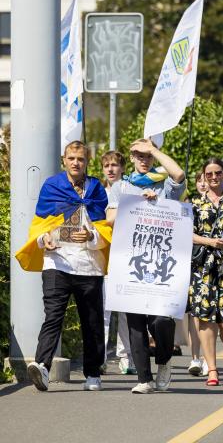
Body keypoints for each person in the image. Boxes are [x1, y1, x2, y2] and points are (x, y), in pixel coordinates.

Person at [22, 140, 110, 392]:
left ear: (86, 162)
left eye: (80, 159)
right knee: (53, 316)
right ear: (64, 160)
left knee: (91, 321)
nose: (76, 163)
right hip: (57, 263)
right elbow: (39, 224)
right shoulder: (52, 186)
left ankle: (93, 373)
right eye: (71, 158)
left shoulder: (96, 189)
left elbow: (103, 228)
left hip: (88, 265)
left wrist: (91, 237)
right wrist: (43, 239)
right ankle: (42, 366)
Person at [106, 138, 186, 394]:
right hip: (131, 260)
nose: (143, 159)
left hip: (163, 262)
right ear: (130, 158)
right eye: (138, 155)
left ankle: (163, 361)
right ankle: (144, 378)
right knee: (135, 324)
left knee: (162, 320)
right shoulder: (121, 186)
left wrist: (155, 150)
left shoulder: (164, 184)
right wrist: (137, 203)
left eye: (147, 155)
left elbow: (179, 174)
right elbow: (109, 219)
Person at [188, 158, 223, 387]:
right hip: (203, 267)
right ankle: (211, 368)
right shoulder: (195, 204)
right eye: (209, 174)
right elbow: (186, 233)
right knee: (204, 318)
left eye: (217, 173)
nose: (213, 178)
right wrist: (210, 241)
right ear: (203, 177)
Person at [98, 149, 134, 375]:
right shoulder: (99, 193)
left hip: (126, 257)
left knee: (125, 311)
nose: (111, 169)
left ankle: (125, 356)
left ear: (122, 168)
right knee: (102, 311)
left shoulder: (130, 191)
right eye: (106, 166)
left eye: (114, 165)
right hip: (103, 257)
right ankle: (99, 357)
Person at [186, 172, 209, 376]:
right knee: (194, 313)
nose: (203, 183)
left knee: (211, 316)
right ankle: (195, 358)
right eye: (199, 180)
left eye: (206, 179)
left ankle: (209, 359)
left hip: (215, 266)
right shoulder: (189, 204)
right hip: (193, 264)